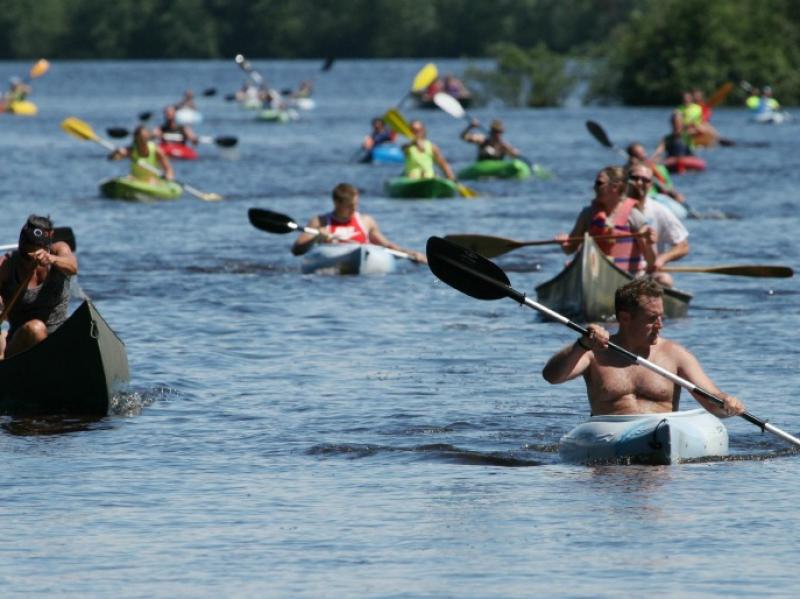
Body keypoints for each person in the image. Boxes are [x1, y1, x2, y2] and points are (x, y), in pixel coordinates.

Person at [542, 277, 745, 418]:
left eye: (661, 317)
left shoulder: (675, 355)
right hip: (608, 439)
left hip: (660, 443)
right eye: (651, 319)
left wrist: (726, 402)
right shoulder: (594, 352)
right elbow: (552, 377)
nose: (660, 325)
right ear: (624, 318)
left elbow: (712, 401)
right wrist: (581, 345)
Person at [0, 215, 78, 359]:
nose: (30, 260)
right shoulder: (6, 265)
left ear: (46, 247)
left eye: (35, 253)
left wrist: (52, 259)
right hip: (21, 347)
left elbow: (73, 267)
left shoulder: (59, 251)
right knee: (36, 328)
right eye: (26, 254)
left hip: (58, 340)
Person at [555, 166, 655, 275]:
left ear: (615, 187)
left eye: (599, 183)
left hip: (626, 279)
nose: (594, 188)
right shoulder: (588, 214)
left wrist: (649, 243)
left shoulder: (634, 216)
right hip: (594, 275)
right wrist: (564, 243)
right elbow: (569, 249)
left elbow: (651, 261)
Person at [291, 183, 427, 263]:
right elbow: (296, 250)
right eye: (349, 206)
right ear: (336, 203)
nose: (354, 209)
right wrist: (315, 236)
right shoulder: (320, 222)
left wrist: (410, 254)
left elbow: (387, 245)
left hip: (361, 263)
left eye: (355, 204)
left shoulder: (366, 221)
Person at [626, 163, 689, 288]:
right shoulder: (613, 206)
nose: (639, 183)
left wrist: (662, 259)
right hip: (617, 268)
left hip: (646, 272)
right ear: (626, 181)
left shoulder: (659, 210)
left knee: (665, 280)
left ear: (650, 185)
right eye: (634, 178)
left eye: (645, 180)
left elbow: (683, 246)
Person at [109, 125, 175, 182]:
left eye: (143, 138)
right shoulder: (131, 149)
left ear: (146, 138)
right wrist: (117, 152)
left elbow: (168, 169)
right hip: (135, 178)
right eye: (140, 139)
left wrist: (169, 176)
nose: (141, 141)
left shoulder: (156, 150)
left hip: (152, 180)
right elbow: (113, 158)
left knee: (152, 181)